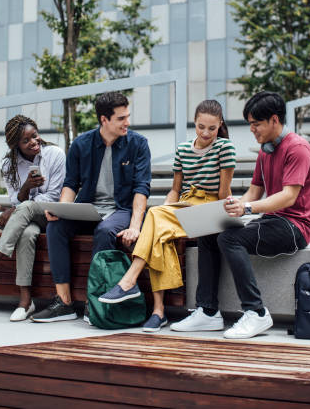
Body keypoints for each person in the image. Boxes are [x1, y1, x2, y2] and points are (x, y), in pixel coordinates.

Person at [172, 91, 310, 339]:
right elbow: (254, 191)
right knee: (211, 231)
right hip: (272, 219)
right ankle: (208, 312)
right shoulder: (265, 150)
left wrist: (248, 209)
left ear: (274, 120)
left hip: (296, 226)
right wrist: (233, 206)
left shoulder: (298, 148)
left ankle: (257, 312)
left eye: (256, 124)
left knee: (230, 239)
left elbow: (288, 197)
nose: (251, 129)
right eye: (250, 124)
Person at [99, 99, 236, 332]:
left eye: (212, 128)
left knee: (155, 220)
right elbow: (175, 190)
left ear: (220, 124)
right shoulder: (183, 149)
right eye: (201, 126)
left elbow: (223, 193)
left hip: (210, 206)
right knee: (157, 224)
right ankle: (158, 311)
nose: (206, 133)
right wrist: (164, 211)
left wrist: (228, 215)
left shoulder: (225, 148)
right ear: (194, 122)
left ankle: (131, 283)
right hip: (185, 205)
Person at [31, 91, 151, 323]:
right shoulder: (81, 144)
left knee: (105, 230)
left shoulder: (138, 144)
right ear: (104, 120)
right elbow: (71, 184)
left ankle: (93, 303)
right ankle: (64, 302)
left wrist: (135, 226)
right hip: (89, 209)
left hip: (122, 210)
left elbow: (141, 189)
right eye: (121, 118)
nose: (127, 122)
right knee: (55, 227)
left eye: (128, 116)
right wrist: (62, 209)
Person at [0, 115, 66, 321]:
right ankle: (25, 301)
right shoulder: (9, 165)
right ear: (15, 145)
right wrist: (26, 188)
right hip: (29, 219)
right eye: (26, 140)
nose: (34, 142)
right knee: (27, 233)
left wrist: (20, 205)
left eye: (35, 136)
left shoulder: (55, 155)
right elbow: (15, 199)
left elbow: (55, 195)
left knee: (27, 207)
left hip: (54, 215)